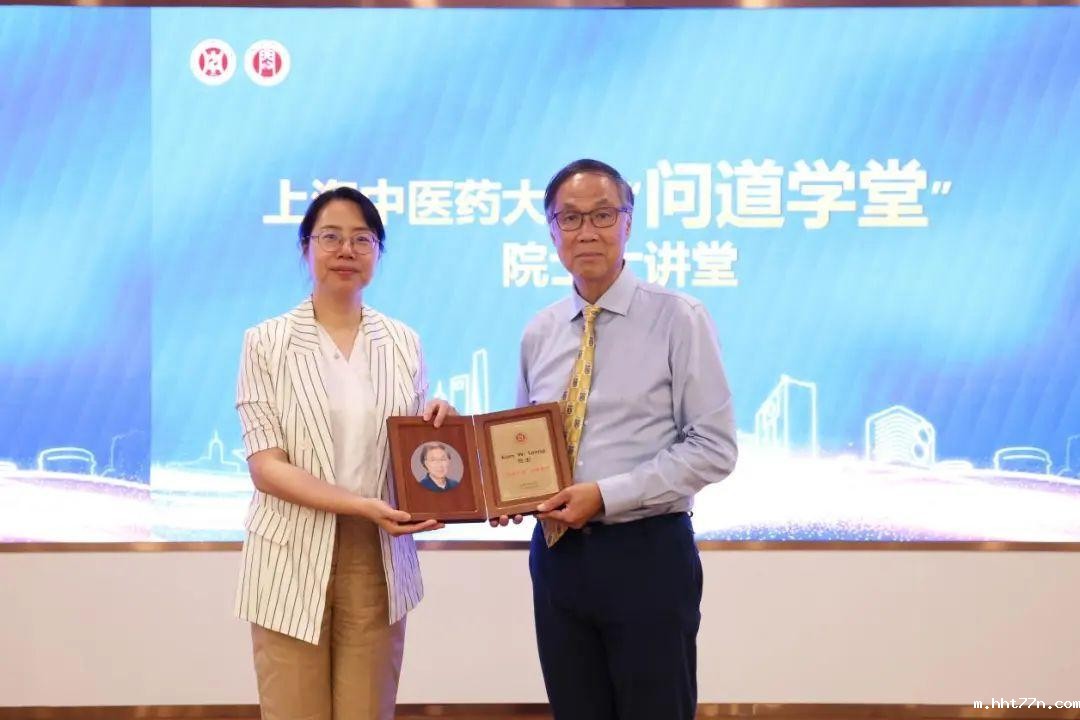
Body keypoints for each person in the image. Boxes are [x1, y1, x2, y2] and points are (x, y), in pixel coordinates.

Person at [506, 159, 738, 720]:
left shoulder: (679, 318)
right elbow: (520, 443)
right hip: (558, 557)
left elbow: (714, 447)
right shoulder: (539, 331)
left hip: (647, 554)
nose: (586, 231)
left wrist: (606, 496)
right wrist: (502, 489)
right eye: (570, 218)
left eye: (603, 215)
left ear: (628, 222)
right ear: (552, 231)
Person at [235, 186, 453, 720]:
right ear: (306, 247)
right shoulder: (266, 342)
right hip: (289, 553)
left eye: (362, 239)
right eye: (330, 237)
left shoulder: (403, 342)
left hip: (378, 556)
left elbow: (411, 454)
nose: (346, 251)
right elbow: (266, 467)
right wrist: (358, 505)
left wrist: (439, 429)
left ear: (378, 251)